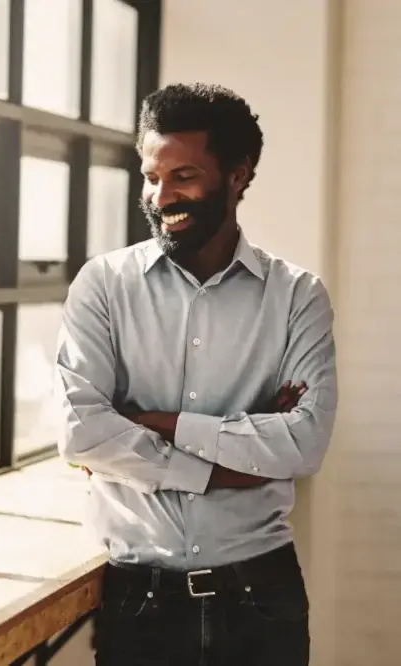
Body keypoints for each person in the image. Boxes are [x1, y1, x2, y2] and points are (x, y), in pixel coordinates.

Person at [55, 82, 337, 666]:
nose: (160, 196)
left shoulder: (296, 297)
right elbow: (82, 433)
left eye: (182, 176)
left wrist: (156, 423)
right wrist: (222, 468)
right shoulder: (103, 286)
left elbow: (304, 443)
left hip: (263, 600)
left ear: (238, 176)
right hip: (140, 602)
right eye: (150, 176)